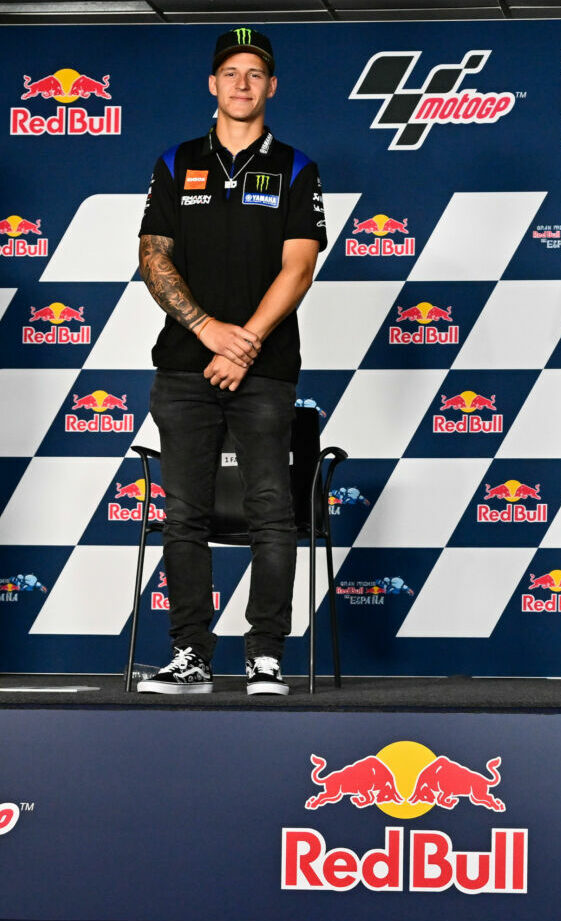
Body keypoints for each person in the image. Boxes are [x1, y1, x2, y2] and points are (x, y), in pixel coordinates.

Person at [135, 27, 325, 695]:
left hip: (266, 371)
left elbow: (299, 269)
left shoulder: (298, 166)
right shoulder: (174, 161)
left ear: (271, 86)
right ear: (212, 84)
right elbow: (152, 258)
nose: (242, 84)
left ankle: (265, 654)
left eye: (255, 73)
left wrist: (243, 341)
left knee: (272, 510)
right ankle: (190, 652)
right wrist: (211, 330)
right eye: (230, 72)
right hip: (185, 367)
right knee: (183, 512)